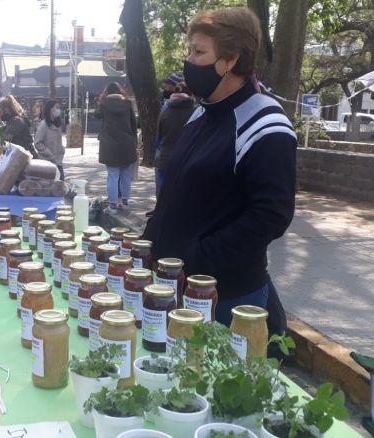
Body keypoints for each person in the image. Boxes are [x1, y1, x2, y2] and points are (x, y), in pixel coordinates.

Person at [143, 7, 296, 339]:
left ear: (230, 60)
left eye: (199, 52)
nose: (189, 60)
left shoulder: (265, 122)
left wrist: (200, 256)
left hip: (227, 296)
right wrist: (149, 238)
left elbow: (272, 214)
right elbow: (174, 190)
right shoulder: (201, 115)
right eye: (190, 50)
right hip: (176, 283)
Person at [95, 82, 138, 214]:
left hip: (110, 145)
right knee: (125, 175)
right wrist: (134, 142)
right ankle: (125, 202)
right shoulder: (127, 104)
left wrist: (101, 101)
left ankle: (112, 206)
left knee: (113, 176)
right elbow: (133, 124)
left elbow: (97, 115)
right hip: (127, 144)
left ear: (107, 92)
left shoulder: (104, 104)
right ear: (120, 91)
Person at [154, 82, 196, 195]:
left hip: (166, 158)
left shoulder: (165, 111)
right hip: (187, 159)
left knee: (163, 191)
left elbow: (159, 137)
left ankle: (161, 209)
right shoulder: (196, 112)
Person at [33, 99, 65, 180]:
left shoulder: (58, 124)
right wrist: (49, 154)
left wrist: (62, 149)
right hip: (47, 162)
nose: (58, 110)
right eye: (56, 107)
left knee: (60, 186)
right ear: (50, 109)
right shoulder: (43, 125)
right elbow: (37, 143)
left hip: (58, 161)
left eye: (59, 108)